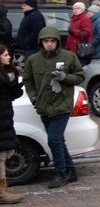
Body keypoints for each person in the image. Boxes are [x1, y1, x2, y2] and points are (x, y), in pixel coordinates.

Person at [21, 27, 84, 188]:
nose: (49, 44)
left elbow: (80, 76)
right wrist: (34, 98)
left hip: (62, 105)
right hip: (43, 105)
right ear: (41, 42)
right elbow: (27, 80)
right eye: (46, 41)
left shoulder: (68, 56)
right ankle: (70, 170)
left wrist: (66, 77)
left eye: (52, 41)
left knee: (54, 140)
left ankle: (61, 172)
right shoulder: (33, 60)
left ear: (57, 42)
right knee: (58, 140)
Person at [0, 43, 23, 204]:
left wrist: (15, 83)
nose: (9, 57)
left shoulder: (6, 73)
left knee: (3, 156)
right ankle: (2, 192)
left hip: (4, 119)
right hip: (2, 120)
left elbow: (12, 94)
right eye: (6, 55)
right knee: (0, 157)